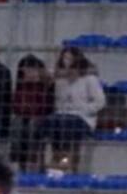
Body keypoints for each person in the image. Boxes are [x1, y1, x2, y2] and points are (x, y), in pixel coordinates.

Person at [36, 46, 105, 175]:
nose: (67, 61)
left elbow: (100, 102)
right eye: (65, 58)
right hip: (62, 114)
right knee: (50, 121)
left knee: (67, 123)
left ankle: (65, 158)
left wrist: (83, 109)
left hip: (83, 117)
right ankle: (55, 157)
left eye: (70, 58)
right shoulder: (60, 81)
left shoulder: (90, 79)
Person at [9, 54, 54, 172]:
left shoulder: (46, 86)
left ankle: (31, 160)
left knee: (32, 125)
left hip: (41, 117)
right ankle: (17, 159)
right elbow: (16, 105)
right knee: (17, 124)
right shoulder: (21, 87)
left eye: (32, 69)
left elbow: (47, 106)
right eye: (26, 70)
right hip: (24, 116)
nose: (29, 72)